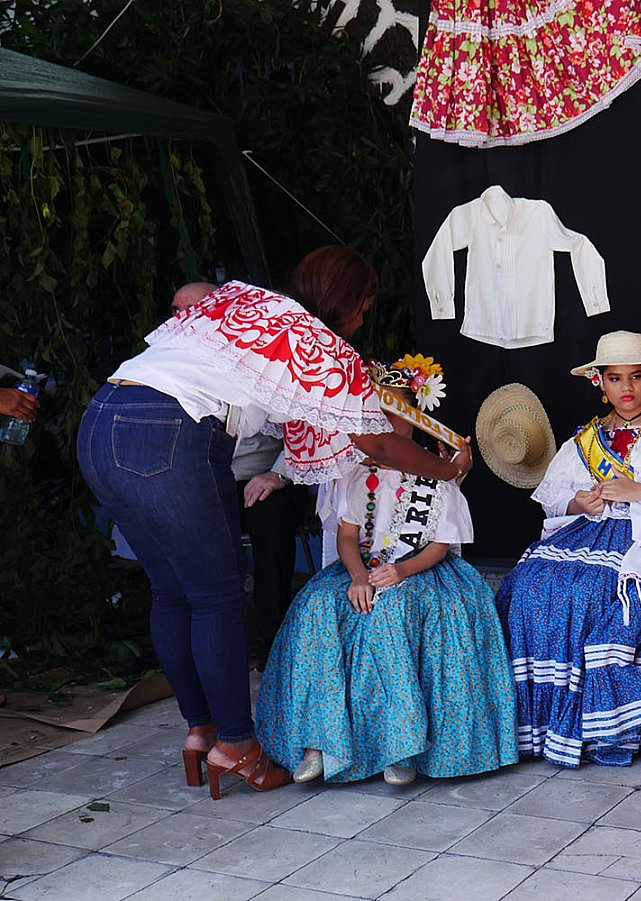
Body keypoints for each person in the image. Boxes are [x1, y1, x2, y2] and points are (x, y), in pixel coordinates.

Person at [77, 247, 472, 797]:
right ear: (346, 301)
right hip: (173, 433)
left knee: (172, 594)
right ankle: (237, 746)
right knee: (215, 599)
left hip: (100, 422)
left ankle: (201, 731)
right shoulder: (319, 344)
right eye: (364, 307)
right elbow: (380, 444)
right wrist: (450, 468)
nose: (363, 320)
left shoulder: (248, 300)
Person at [255, 379, 517, 788]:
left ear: (417, 419)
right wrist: (358, 576)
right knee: (317, 605)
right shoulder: (359, 473)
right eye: (378, 414)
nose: (387, 423)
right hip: (363, 566)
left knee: (394, 611)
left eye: (398, 414)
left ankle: (402, 747)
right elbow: (347, 536)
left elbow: (441, 545)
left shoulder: (437, 472)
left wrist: (402, 572)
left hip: (421, 570)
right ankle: (318, 740)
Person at [495, 331, 641, 767]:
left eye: (635, 376)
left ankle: (614, 719)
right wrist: (578, 503)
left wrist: (640, 491)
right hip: (592, 532)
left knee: (600, 592)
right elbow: (553, 496)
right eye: (615, 378)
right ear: (598, 382)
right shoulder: (586, 438)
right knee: (529, 586)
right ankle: (544, 722)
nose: (626, 388)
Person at [172, 282, 308, 650]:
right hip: (202, 481)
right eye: (176, 311)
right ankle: (200, 643)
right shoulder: (169, 364)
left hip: (264, 477)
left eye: (193, 311)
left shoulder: (261, 355)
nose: (183, 320)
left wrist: (279, 473)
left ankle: (272, 641)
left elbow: (308, 427)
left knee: (271, 513)